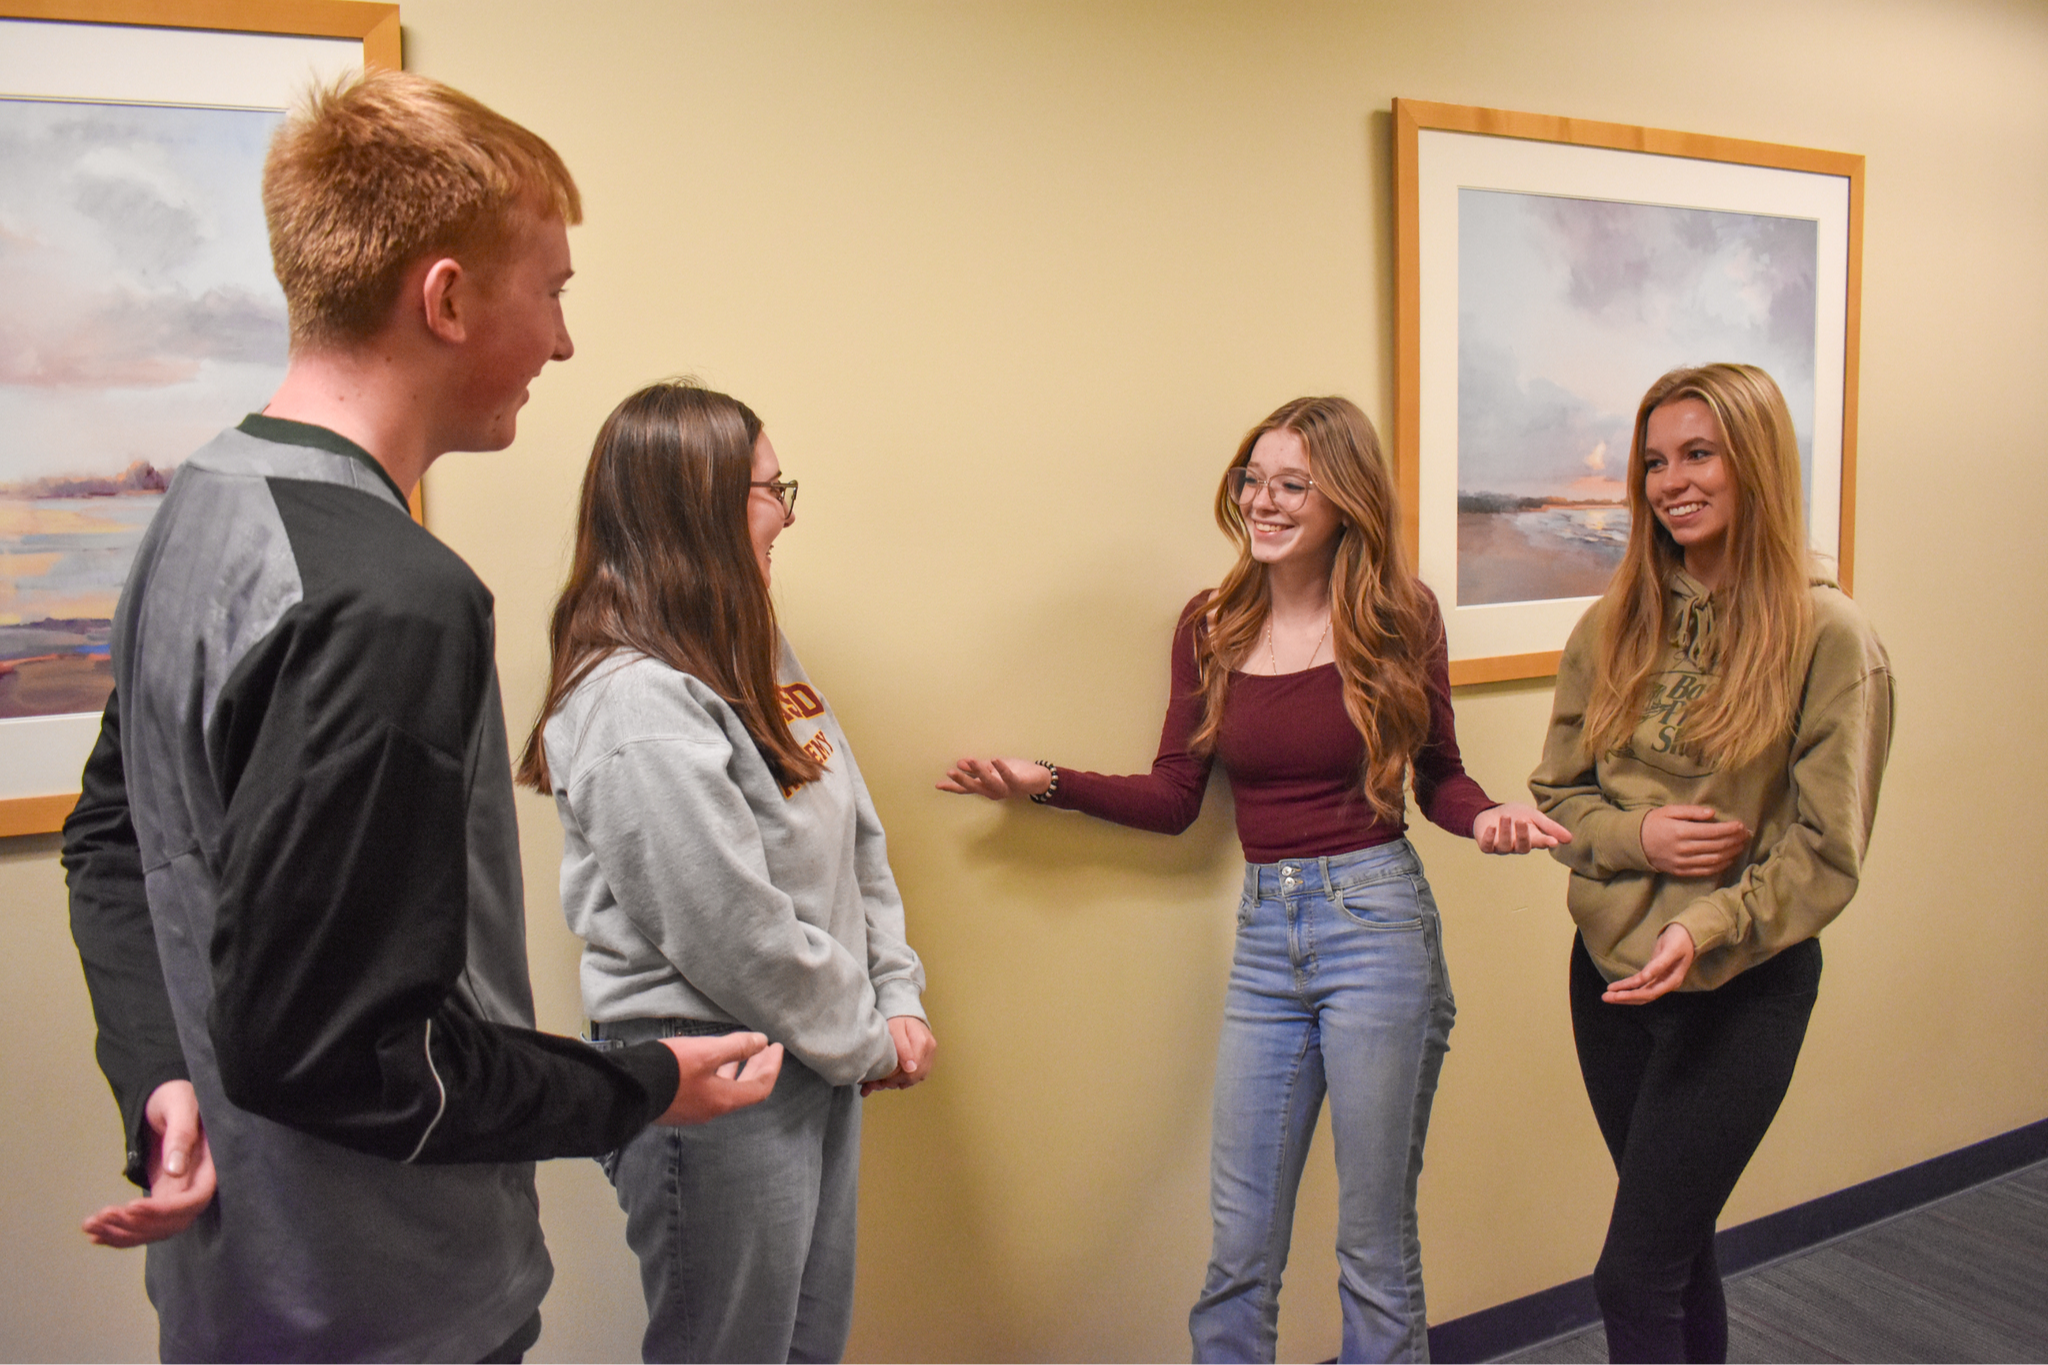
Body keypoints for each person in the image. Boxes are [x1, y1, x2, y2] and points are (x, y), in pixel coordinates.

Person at [60, 71, 782, 1365]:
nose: (564, 342)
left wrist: (160, 1071)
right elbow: (350, 1060)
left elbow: (114, 836)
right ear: (445, 298)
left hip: (235, 1297)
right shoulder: (391, 600)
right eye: (553, 289)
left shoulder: (200, 507)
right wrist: (646, 1083)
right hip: (383, 1311)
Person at [941, 395, 1567, 1365]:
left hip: (1377, 925)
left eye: (1290, 485)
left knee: (1370, 1245)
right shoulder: (1211, 621)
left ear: (1343, 501)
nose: (1262, 502)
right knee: (1237, 1251)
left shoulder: (1400, 616)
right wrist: (1047, 783)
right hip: (1265, 938)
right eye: (1251, 479)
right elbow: (1172, 796)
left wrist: (1486, 816)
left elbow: (1438, 774)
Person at [518, 380, 935, 1365]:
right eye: (766, 488)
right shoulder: (631, 702)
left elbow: (856, 839)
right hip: (708, 1072)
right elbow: (732, 932)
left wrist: (896, 993)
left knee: (800, 1349)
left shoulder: (752, 648)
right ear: (694, 508)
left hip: (814, 1059)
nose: (786, 509)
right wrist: (868, 1038)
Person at [1528, 363, 1893, 1365]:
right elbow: (1559, 794)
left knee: (1630, 1275)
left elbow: (1824, 852)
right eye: (1652, 460)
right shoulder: (1611, 623)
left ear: (1755, 465)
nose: (1668, 481)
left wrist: (1706, 923)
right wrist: (1633, 840)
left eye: (1698, 454)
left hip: (1738, 989)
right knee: (1674, 1256)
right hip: (1607, 981)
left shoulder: (1829, 636)